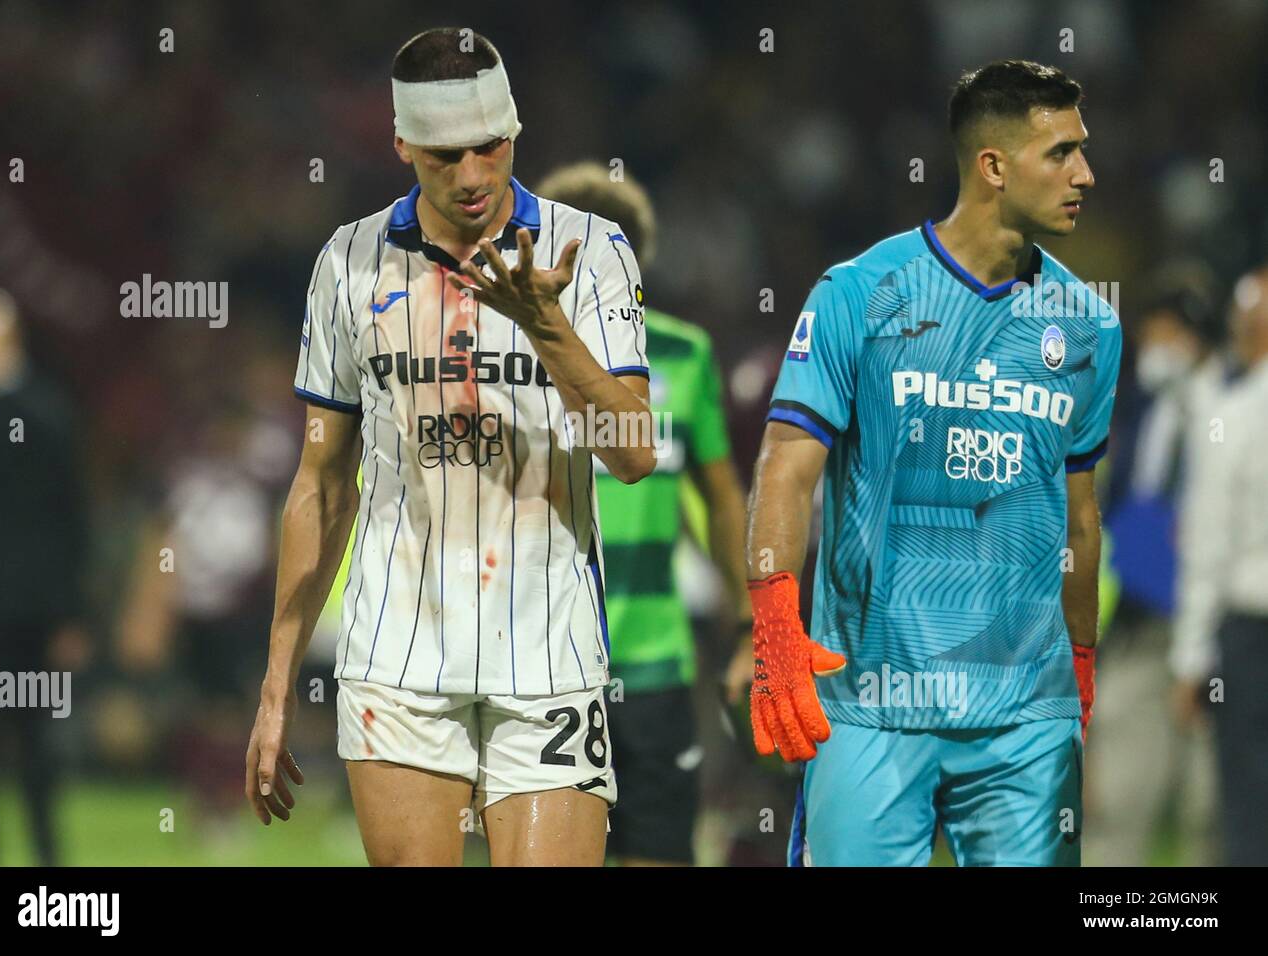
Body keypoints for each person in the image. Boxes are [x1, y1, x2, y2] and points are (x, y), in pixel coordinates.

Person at [243, 27, 654, 866]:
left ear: (515, 131)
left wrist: (549, 328)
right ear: (400, 144)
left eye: (487, 148)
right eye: (441, 156)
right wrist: (278, 676)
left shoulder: (593, 253)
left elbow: (634, 452)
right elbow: (322, 483)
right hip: (395, 650)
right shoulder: (349, 263)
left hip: (550, 650)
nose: (471, 177)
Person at [744, 60, 1120, 866]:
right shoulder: (860, 293)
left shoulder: (1089, 329)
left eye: (1082, 150)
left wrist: (1080, 665)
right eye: (1060, 153)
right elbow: (787, 465)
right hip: (871, 704)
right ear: (992, 166)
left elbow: (1080, 519)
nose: (1085, 173)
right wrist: (775, 617)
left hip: (1025, 718)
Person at [535, 162, 754, 866]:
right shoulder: (514, 351)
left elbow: (722, 498)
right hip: (540, 664)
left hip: (655, 662)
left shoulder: (686, 356)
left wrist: (750, 626)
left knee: (659, 851)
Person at [1087, 263, 1223, 866]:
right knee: (1118, 797)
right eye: (1151, 333)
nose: (1155, 347)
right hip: (1140, 626)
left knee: (1210, 804)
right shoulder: (1137, 418)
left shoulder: (1236, 411)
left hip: (1219, 634)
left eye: (1168, 333)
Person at [0, 279, 90, 866]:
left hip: (9, 613)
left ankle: (35, 860)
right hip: (11, 609)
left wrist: (71, 613)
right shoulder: (39, 410)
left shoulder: (28, 414)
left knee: (19, 742)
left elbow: (69, 518)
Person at [1173, 265, 1268, 866]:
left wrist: (1189, 658)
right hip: (1248, 632)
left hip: (1250, 634)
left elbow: (1207, 546)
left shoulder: (1231, 417)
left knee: (1248, 807)